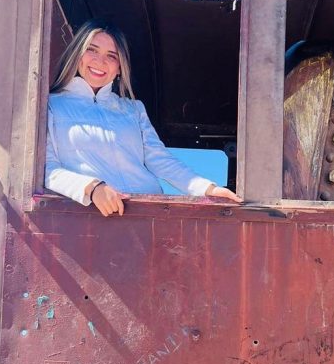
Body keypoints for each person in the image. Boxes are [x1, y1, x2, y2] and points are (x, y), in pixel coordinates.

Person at [45, 19, 242, 216]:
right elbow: (46, 169)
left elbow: (159, 159)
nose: (100, 61)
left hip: (147, 213)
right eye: (92, 50)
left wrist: (207, 189)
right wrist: (91, 187)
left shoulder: (133, 109)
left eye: (111, 56)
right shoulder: (50, 106)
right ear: (77, 53)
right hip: (92, 217)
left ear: (120, 67)